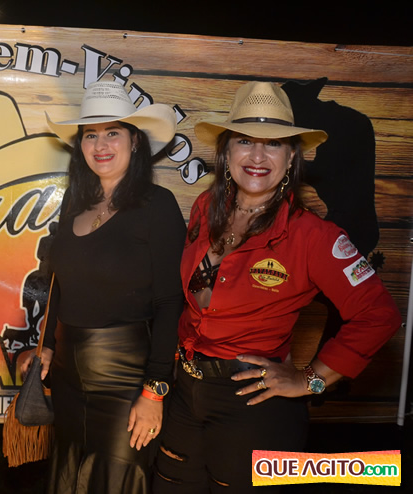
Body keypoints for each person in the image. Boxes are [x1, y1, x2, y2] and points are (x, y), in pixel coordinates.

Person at [153, 81, 402, 493]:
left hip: (253, 404)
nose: (257, 156)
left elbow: (379, 316)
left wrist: (311, 380)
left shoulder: (314, 236)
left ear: (292, 158)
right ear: (226, 152)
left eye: (273, 144)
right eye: (245, 141)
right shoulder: (204, 208)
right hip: (186, 390)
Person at [19, 81, 186, 493]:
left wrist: (155, 390)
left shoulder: (158, 205)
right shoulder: (74, 203)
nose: (101, 145)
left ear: (134, 141)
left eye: (113, 132)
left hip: (127, 377)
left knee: (117, 479)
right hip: (67, 376)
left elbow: (171, 302)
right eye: (90, 135)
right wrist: (48, 346)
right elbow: (59, 284)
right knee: (68, 475)